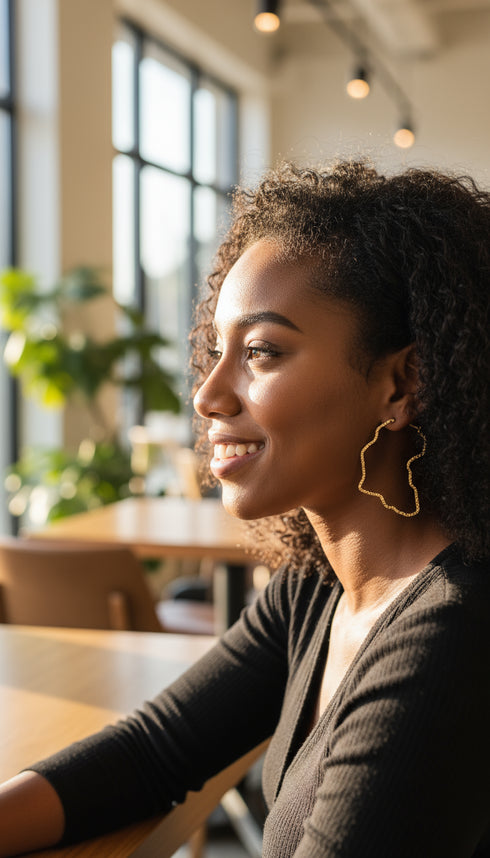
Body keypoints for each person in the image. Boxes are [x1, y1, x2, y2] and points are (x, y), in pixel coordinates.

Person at [1, 160, 489, 858]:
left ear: (401, 383)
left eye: (261, 351)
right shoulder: (322, 585)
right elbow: (154, 753)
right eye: (216, 350)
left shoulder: (454, 639)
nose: (208, 395)